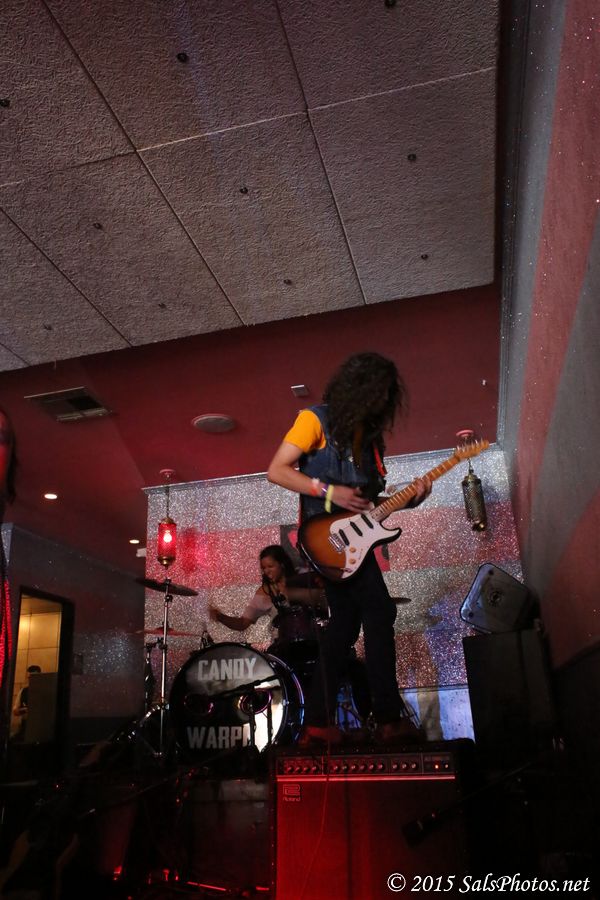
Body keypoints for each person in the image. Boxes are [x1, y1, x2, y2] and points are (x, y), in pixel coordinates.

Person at [267, 351, 431, 744]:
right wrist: (328, 491)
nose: (382, 402)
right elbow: (277, 470)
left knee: (343, 627)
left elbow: (369, 506)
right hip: (325, 541)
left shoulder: (371, 443)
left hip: (355, 544)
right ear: (358, 389)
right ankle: (387, 718)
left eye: (387, 396)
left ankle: (317, 724)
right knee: (379, 609)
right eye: (378, 393)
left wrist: (409, 500)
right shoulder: (315, 419)